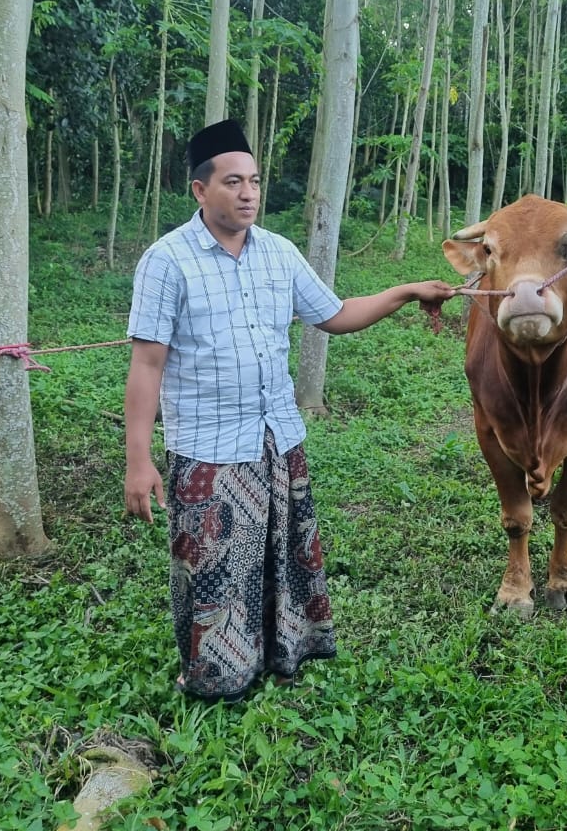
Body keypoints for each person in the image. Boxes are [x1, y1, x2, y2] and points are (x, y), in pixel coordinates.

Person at [124, 119, 456, 703]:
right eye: (232, 182)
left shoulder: (279, 253)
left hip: (276, 439)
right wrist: (138, 460)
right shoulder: (166, 261)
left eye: (253, 181)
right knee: (214, 570)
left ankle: (279, 655)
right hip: (209, 448)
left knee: (279, 557)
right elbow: (147, 365)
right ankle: (217, 675)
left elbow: (334, 313)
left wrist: (405, 291)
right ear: (200, 191)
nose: (248, 193)